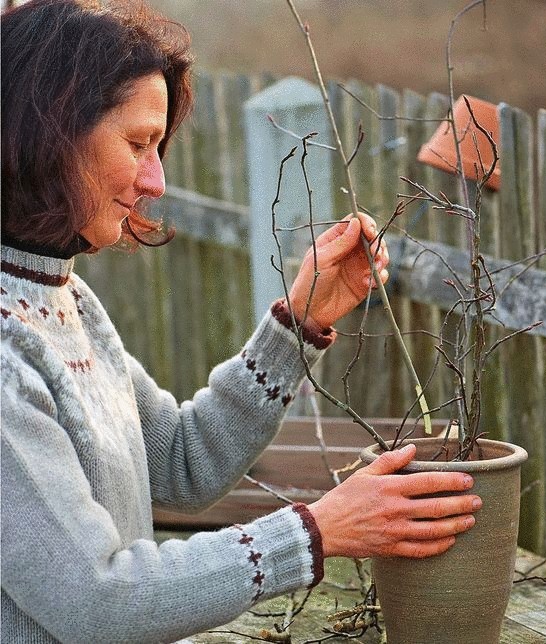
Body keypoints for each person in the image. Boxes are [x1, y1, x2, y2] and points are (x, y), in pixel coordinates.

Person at [0, 1, 482, 641]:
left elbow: (181, 461)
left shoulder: (65, 300)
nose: (156, 180)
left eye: (159, 146)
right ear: (47, 134)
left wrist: (297, 326)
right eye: (138, 143)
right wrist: (314, 534)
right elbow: (98, 600)